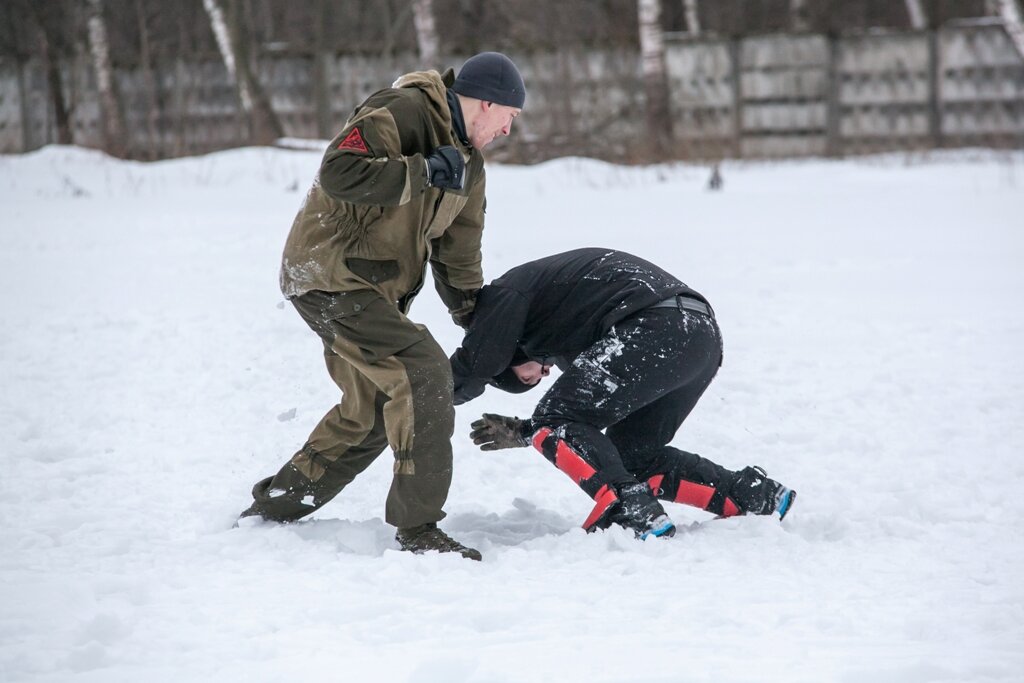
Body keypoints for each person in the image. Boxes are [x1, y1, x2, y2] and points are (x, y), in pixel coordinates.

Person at [238, 52, 527, 561]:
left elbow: (459, 258)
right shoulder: (403, 111)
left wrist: (486, 333)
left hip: (373, 293)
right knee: (421, 372)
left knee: (370, 411)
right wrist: (422, 171)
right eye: (511, 117)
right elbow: (339, 171)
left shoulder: (471, 166)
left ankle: (275, 509)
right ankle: (418, 530)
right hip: (329, 275)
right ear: (488, 103)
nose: (509, 129)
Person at [450, 248, 796, 539]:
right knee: (631, 455)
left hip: (655, 326)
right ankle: (752, 495)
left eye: (528, 377)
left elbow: (479, 363)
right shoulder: (560, 322)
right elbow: (586, 422)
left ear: (509, 355)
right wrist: (526, 431)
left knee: (555, 417)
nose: (544, 372)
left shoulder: (507, 295)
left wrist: (423, 395)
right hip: (699, 337)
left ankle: (631, 509)